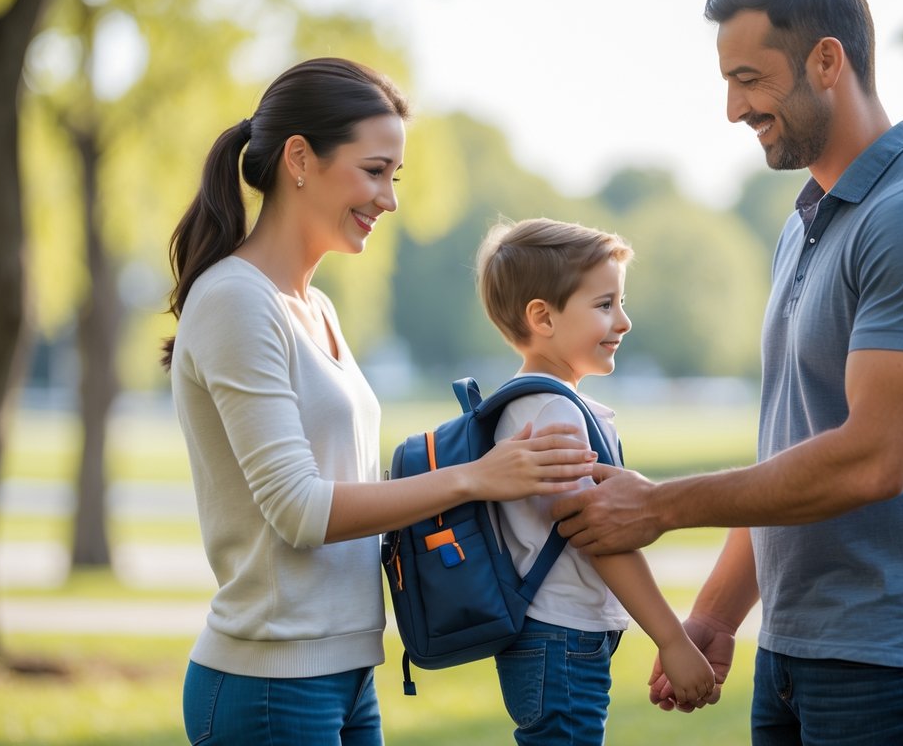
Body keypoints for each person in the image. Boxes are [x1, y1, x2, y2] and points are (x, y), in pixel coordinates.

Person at [551, 0, 903, 745]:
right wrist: (719, 614)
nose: (733, 108)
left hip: (894, 662)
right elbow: (791, 453)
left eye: (750, 79)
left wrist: (660, 506)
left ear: (826, 61)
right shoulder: (804, 225)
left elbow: (870, 460)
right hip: (795, 651)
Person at [161, 58, 596, 746]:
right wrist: (474, 478)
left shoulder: (317, 307)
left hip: (346, 669)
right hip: (272, 682)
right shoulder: (236, 302)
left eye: (394, 176)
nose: (389, 199)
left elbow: (348, 481)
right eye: (373, 171)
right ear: (299, 159)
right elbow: (300, 510)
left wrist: (477, 456)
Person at [475, 217, 715, 745]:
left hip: (554, 638)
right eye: (605, 305)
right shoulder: (551, 411)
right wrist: (672, 639)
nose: (624, 321)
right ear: (542, 317)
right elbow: (601, 535)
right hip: (559, 639)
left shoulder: (539, 402)